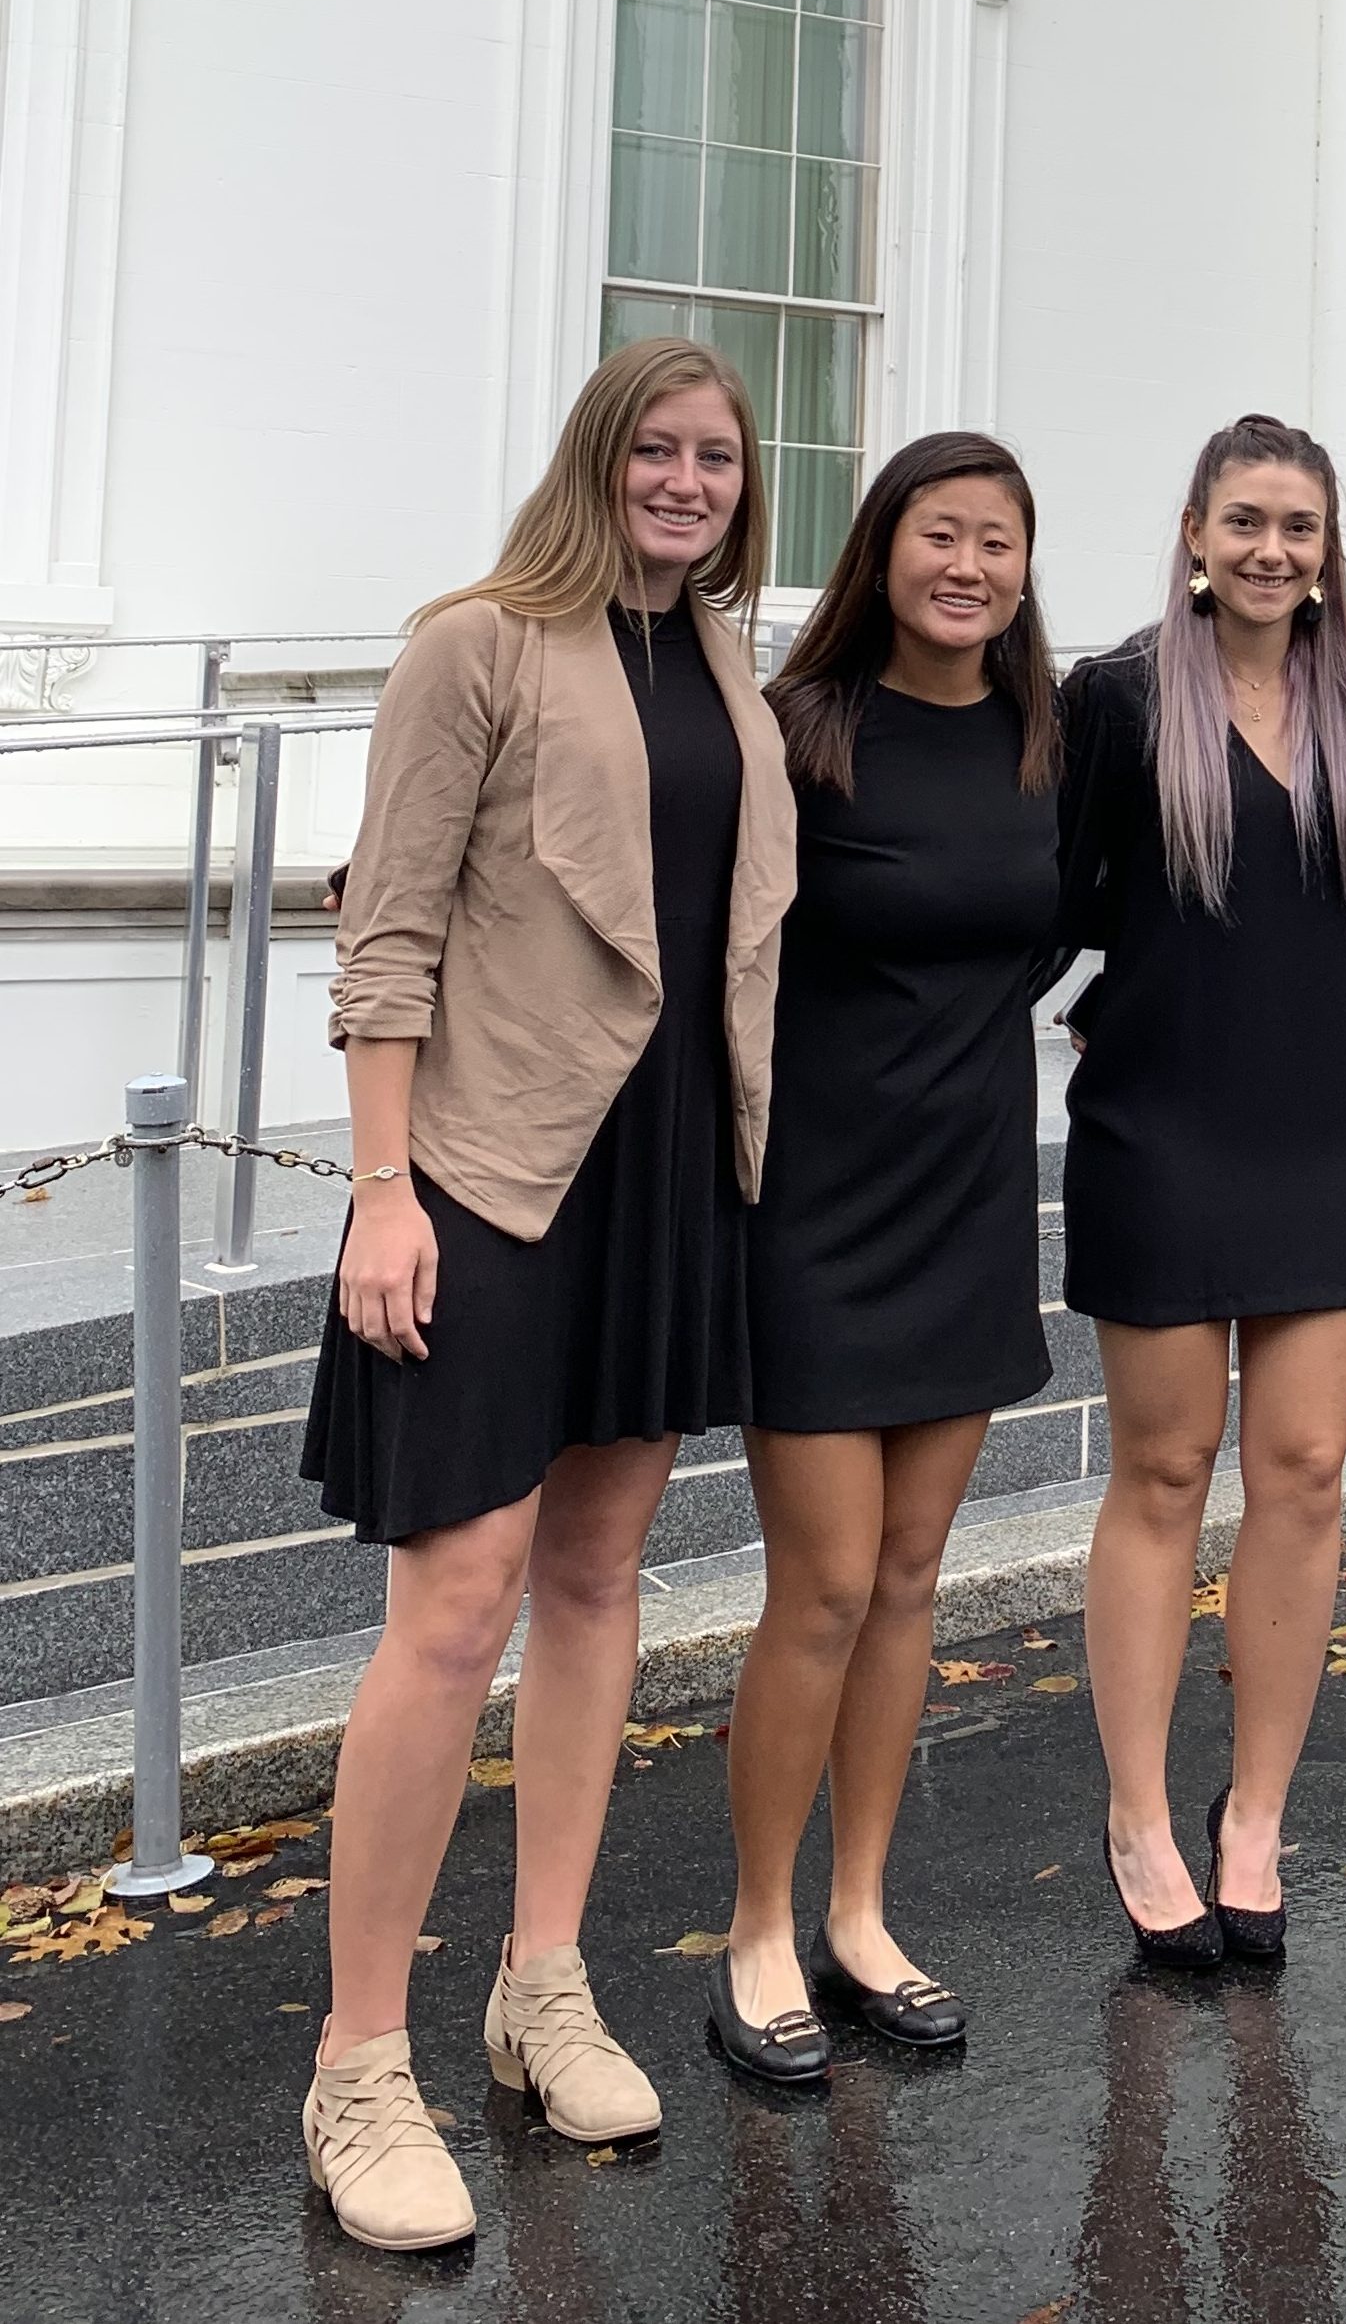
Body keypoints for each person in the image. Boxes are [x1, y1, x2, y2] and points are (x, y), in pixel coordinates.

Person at [297, 337, 796, 2246]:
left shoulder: (724, 665)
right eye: (656, 452)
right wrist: (379, 1187)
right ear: (600, 461)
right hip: (494, 1181)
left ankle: (541, 1983)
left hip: (669, 1175)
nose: (686, 483)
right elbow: (388, 922)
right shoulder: (477, 642)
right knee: (453, 1613)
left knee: (600, 1586)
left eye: (716, 462)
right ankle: (357, 2067)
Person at [710, 433, 1062, 2080]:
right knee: (828, 1582)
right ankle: (757, 1930)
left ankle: (860, 1913)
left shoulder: (1041, 740)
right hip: (819, 1210)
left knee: (912, 1580)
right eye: (942, 535)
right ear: (884, 549)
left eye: (998, 542)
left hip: (971, 1202)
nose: (969, 567)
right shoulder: (800, 735)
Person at [1056, 414, 1346, 1968]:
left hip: (1324, 1131)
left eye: (1298, 528)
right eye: (1244, 522)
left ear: (1327, 550)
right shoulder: (1119, 700)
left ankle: (1253, 1812)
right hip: (1163, 1133)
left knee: (1307, 1475)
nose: (1271, 551)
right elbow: (1039, 902)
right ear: (1193, 533)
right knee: (1167, 1476)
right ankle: (1137, 1809)